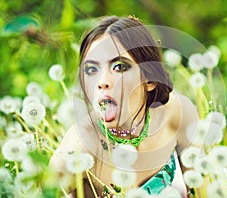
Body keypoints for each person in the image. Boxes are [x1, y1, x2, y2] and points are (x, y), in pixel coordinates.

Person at [49, 15, 199, 197]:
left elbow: (205, 188)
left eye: (119, 67)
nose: (102, 81)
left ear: (149, 77)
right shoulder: (81, 146)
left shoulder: (177, 113)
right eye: (91, 69)